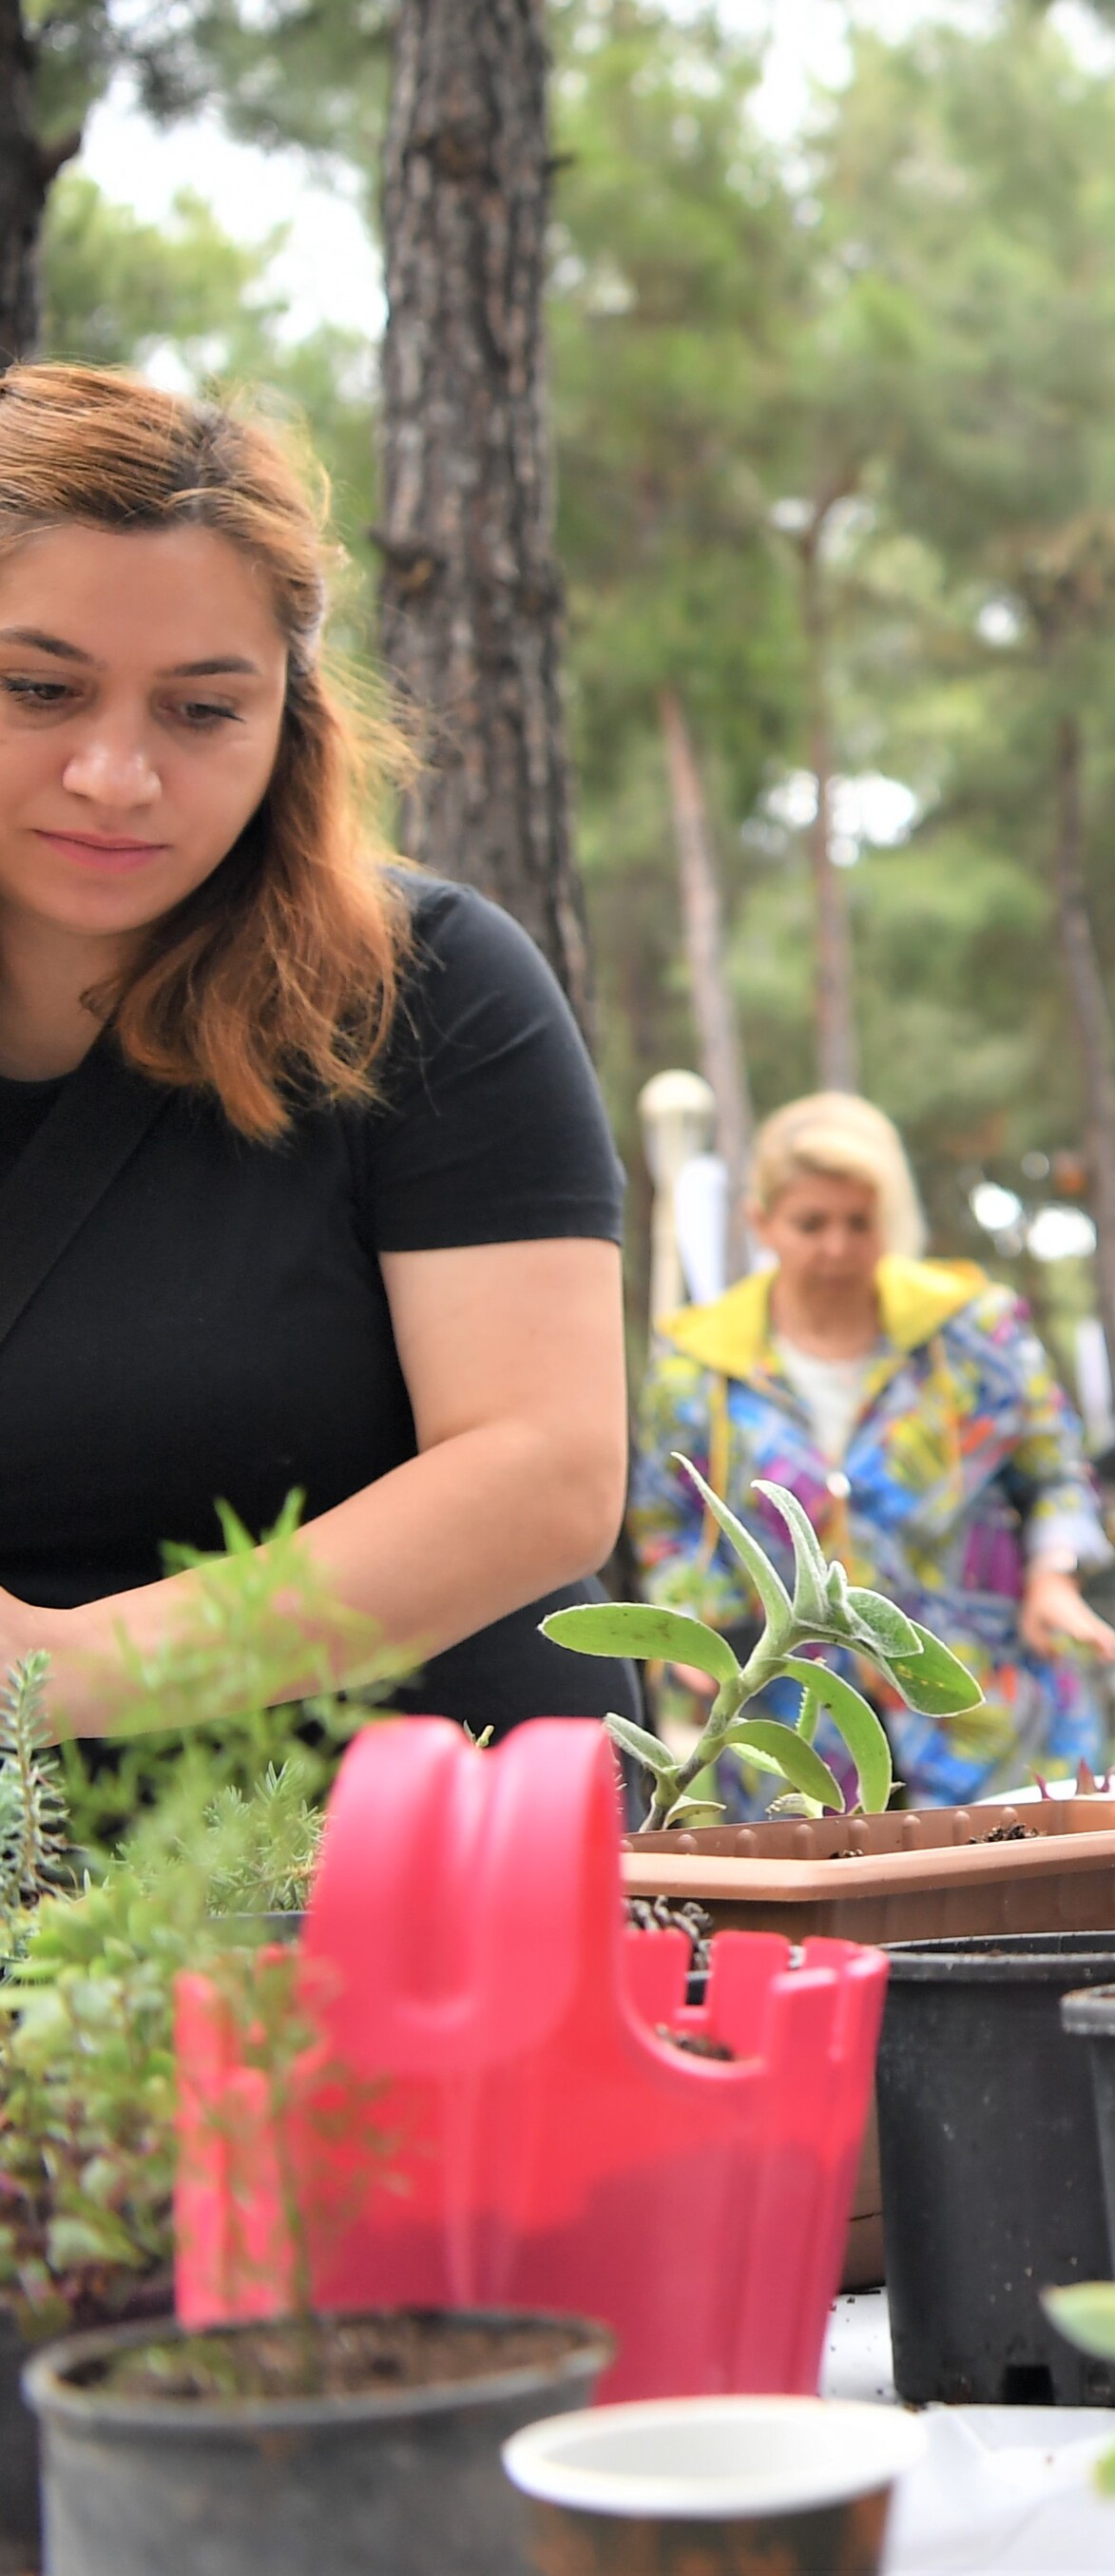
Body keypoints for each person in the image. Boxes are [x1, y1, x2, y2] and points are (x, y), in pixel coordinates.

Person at [0, 364, 628, 1733]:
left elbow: (547, 1467)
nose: (117, 773)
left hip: (400, 1857)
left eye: (202, 708)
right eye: (41, 688)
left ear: (291, 715)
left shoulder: (436, 990)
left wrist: (59, 1678)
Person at [631, 1091, 1115, 1803]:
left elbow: (1055, 1476)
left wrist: (1055, 1575)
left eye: (859, 1222)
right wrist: (690, 1635)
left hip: (978, 1711)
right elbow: (664, 1520)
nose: (836, 1246)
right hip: (791, 1729)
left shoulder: (974, 1331)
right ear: (761, 1221)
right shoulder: (695, 1362)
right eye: (811, 1223)